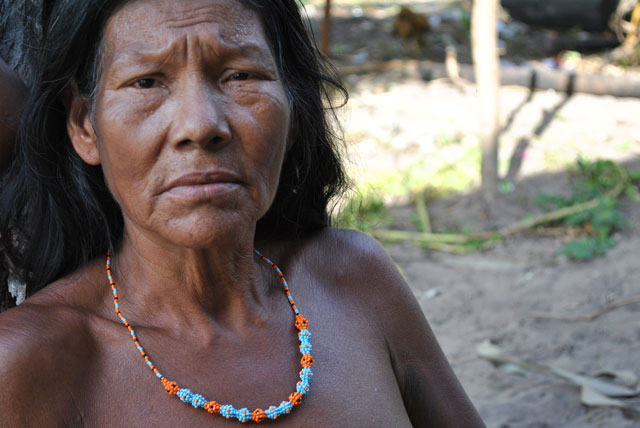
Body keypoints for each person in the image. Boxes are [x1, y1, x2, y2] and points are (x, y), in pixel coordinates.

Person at [0, 0, 485, 426]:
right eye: (147, 82)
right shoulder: (26, 365)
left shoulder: (354, 280)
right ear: (86, 126)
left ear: (293, 110)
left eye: (240, 76)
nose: (200, 124)